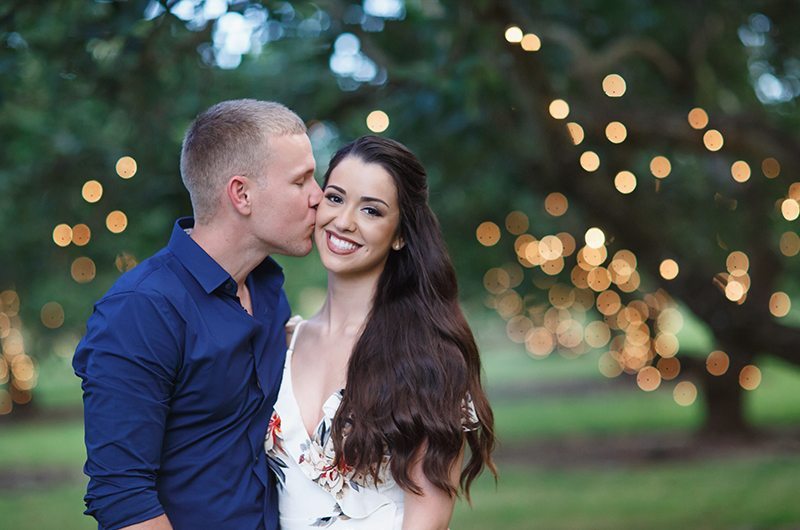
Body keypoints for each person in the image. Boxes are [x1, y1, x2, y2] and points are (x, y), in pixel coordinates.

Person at [73, 99, 322, 530]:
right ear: (241, 194)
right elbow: (123, 497)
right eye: (301, 181)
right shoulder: (142, 309)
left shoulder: (268, 291)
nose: (319, 196)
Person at [265, 135, 496, 529]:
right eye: (335, 198)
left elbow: (428, 521)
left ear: (400, 234)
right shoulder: (280, 341)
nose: (344, 222)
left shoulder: (429, 356)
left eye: (371, 210)